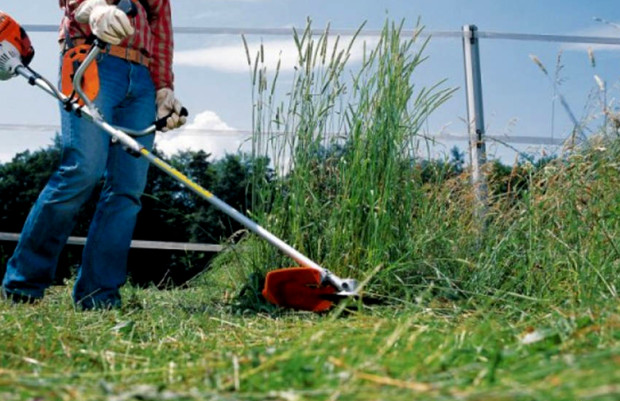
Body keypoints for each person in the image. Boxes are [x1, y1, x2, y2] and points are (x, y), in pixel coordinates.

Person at [2, 0, 186, 309]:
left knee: (127, 189)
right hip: (90, 56)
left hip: (141, 77)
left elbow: (161, 26)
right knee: (82, 170)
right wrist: (93, 8)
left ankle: (98, 297)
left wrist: (163, 88)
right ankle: (22, 285)